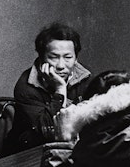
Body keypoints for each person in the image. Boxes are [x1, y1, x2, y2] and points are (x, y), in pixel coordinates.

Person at [7, 22, 91, 153]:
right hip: (30, 153)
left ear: (76, 59)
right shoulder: (26, 87)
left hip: (70, 148)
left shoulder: (85, 77)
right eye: (53, 57)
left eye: (68, 57)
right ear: (41, 59)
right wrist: (60, 89)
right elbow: (48, 131)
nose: (61, 65)